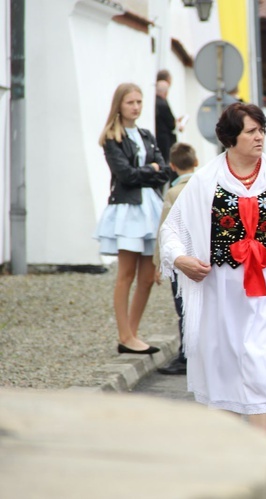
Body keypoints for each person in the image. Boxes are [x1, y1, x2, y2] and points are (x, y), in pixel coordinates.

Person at [158, 102, 266, 432]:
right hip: (221, 292)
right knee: (225, 368)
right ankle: (230, 455)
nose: (260, 136)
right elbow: (171, 230)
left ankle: (260, 454)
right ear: (231, 138)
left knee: (262, 366)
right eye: (251, 131)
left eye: (262, 130)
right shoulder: (206, 181)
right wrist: (181, 259)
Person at [94, 83, 170, 355]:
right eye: (130, 102)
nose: (136, 107)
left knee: (148, 277)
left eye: (139, 102)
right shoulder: (111, 137)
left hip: (150, 210)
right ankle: (125, 335)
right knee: (125, 275)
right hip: (127, 209)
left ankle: (133, 334)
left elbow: (165, 171)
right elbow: (125, 175)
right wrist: (150, 169)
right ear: (119, 105)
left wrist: (149, 170)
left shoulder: (147, 135)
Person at [153, 142, 199, 375]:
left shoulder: (173, 193)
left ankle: (185, 357)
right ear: (196, 162)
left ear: (172, 166)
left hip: (181, 261)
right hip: (203, 259)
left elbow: (165, 229)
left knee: (183, 308)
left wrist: (158, 263)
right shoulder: (206, 187)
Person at [155, 71, 184, 164]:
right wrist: (177, 123)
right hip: (165, 140)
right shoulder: (162, 103)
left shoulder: (156, 102)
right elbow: (171, 123)